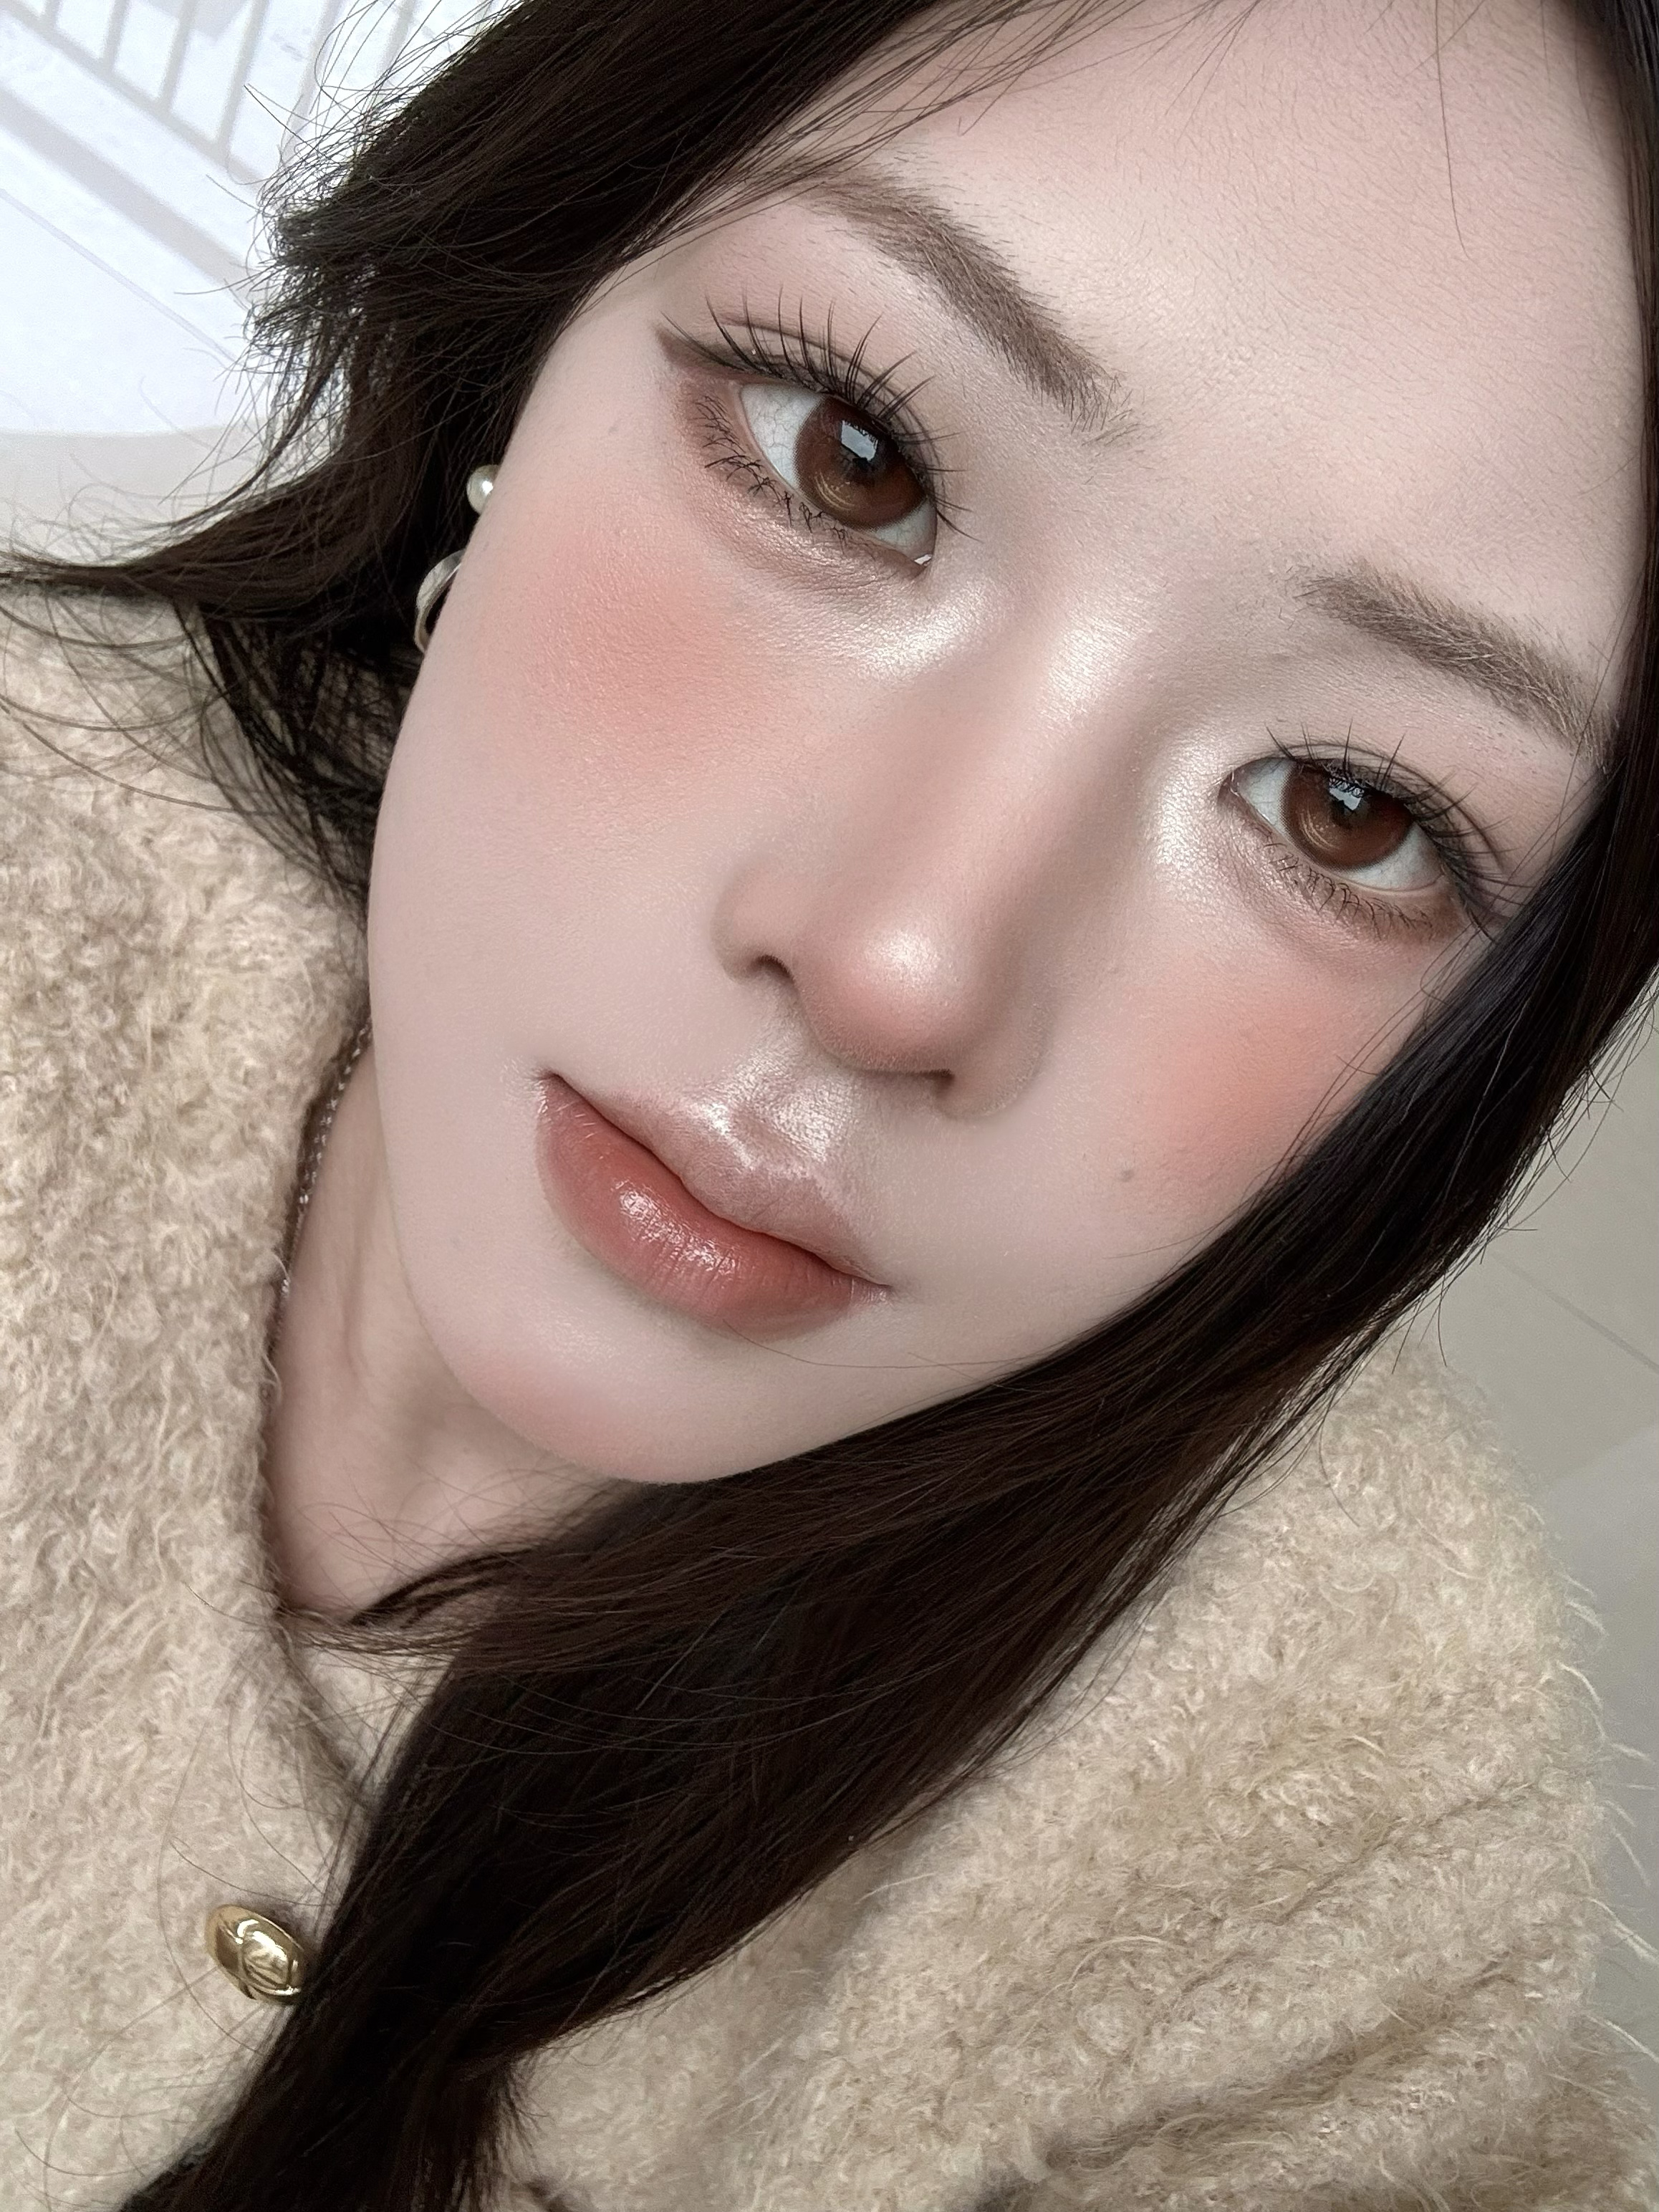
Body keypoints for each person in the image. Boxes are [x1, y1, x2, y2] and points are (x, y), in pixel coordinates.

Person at [1, 0, 1655, 2204]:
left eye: (1346, 811)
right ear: (512, 374)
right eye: (853, 459)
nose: (899, 969)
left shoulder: (1333, 1847)